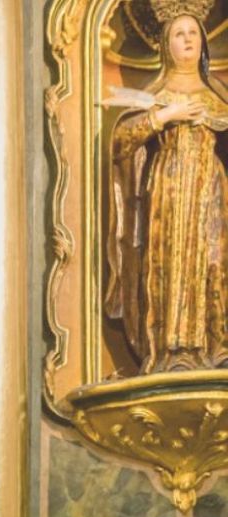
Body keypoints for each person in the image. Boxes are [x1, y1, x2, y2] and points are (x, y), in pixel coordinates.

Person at [106, 5, 228, 374]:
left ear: (205, 45)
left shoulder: (218, 93)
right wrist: (165, 116)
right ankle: (174, 350)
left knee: (214, 261)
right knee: (174, 259)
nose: (188, 39)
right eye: (179, 34)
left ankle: (217, 345)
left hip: (213, 188)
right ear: (164, 44)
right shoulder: (154, 93)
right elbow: (121, 142)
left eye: (194, 33)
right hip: (171, 185)